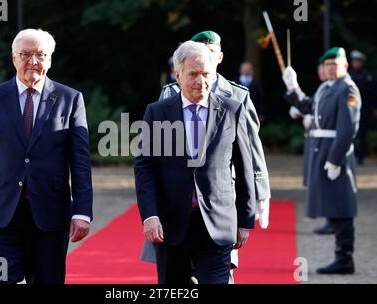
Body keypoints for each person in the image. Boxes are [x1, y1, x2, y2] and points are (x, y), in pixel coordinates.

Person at [0, 29, 93, 284]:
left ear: (50, 60)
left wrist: (82, 212)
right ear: (13, 58)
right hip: (0, 217)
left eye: (40, 55)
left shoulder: (70, 99)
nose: (33, 61)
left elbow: (80, 162)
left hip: (50, 218)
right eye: (25, 54)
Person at [143, 30, 271, 284]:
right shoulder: (159, 108)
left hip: (218, 219)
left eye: (206, 73)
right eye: (193, 74)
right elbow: (146, 166)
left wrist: (255, 203)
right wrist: (150, 214)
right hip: (173, 220)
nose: (201, 80)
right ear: (178, 75)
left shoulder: (235, 103)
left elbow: (247, 159)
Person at [282, 47, 361, 274]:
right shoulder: (328, 87)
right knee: (332, 202)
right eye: (327, 65)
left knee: (342, 204)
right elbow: (308, 106)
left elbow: (348, 129)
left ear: (344, 66)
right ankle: (341, 257)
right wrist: (293, 87)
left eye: (334, 65)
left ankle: (345, 258)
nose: (329, 68)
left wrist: (336, 159)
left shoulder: (348, 89)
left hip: (335, 153)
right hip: (322, 151)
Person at [289, 60, 334, 235]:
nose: (322, 71)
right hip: (318, 141)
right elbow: (308, 106)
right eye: (321, 68)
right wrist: (293, 88)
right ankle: (330, 219)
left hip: (328, 143)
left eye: (326, 67)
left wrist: (312, 120)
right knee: (321, 182)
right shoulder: (323, 89)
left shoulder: (337, 88)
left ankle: (333, 220)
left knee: (329, 183)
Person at [349, 50, 375, 165]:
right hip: (351, 108)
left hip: (364, 108)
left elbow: (372, 93)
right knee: (350, 132)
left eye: (357, 61)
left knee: (362, 133)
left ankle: (360, 157)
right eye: (354, 61)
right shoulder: (348, 75)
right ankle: (351, 155)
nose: (355, 63)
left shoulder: (367, 75)